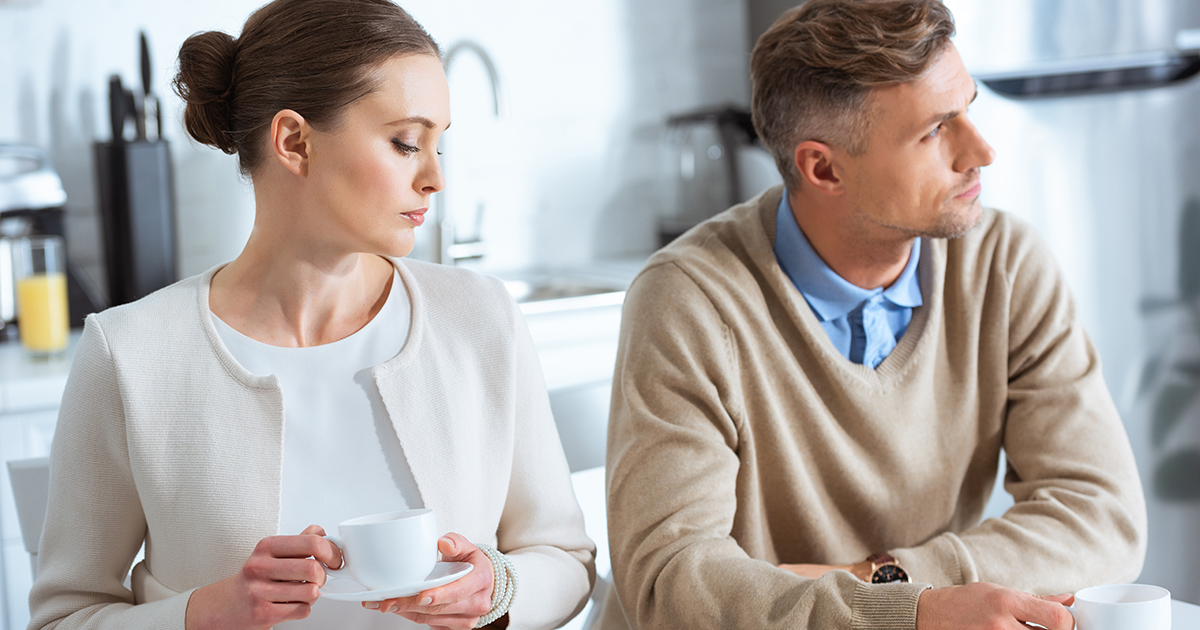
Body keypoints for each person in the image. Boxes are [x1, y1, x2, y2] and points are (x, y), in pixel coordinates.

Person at [28, 1, 595, 629]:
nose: (436, 177)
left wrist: (500, 590)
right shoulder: (130, 354)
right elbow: (62, 618)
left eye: (439, 144)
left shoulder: (482, 319)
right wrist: (201, 614)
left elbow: (566, 558)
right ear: (295, 143)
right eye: (407, 143)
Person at [604, 1, 1146, 629]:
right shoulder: (688, 300)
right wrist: (910, 613)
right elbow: (670, 584)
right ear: (823, 168)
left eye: (968, 109)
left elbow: (1103, 517)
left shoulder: (1005, 263)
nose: (981, 151)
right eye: (935, 131)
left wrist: (885, 582)